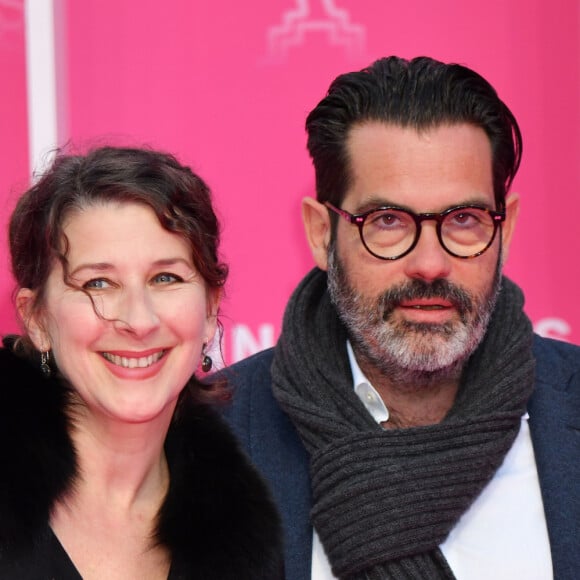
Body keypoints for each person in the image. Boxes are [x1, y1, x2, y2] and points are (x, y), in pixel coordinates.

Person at [221, 56, 580, 580]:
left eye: (464, 220)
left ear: (506, 229)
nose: (430, 264)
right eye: (387, 221)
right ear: (322, 233)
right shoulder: (213, 440)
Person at [0, 146, 284, 579]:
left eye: (165, 278)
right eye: (99, 282)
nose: (138, 320)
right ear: (37, 318)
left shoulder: (250, 537)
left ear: (210, 309)